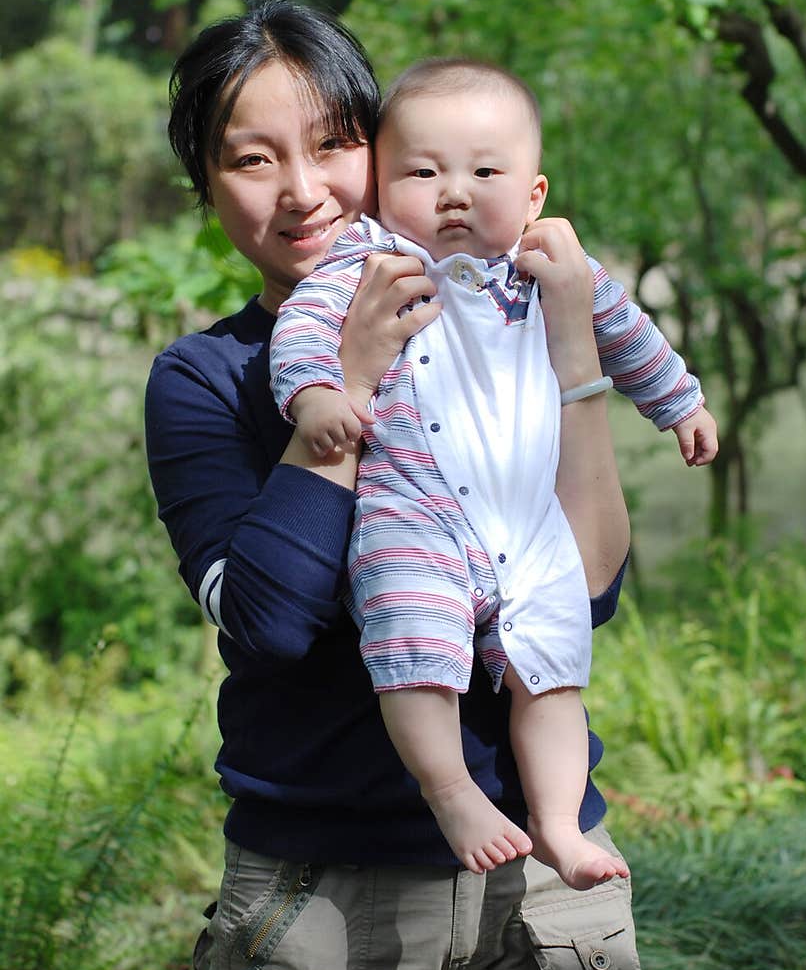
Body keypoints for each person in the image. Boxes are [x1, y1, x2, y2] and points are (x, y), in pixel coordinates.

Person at [146, 0, 642, 970]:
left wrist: (570, 348)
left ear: (386, 146)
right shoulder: (204, 380)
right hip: (324, 904)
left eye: (334, 143)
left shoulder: (506, 326)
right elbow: (270, 622)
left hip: (546, 885)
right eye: (250, 159)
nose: (303, 190)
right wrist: (348, 379)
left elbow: (588, 589)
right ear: (206, 185)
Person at [268, 57, 718, 892]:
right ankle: (453, 792)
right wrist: (317, 393)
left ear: (535, 194)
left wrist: (680, 404)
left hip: (529, 519)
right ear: (375, 189)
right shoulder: (366, 267)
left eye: (484, 171)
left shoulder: (551, 272)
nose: (454, 192)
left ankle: (557, 821)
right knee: (412, 644)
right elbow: (301, 329)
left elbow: (629, 335)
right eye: (423, 171)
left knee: (551, 670)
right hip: (415, 515)